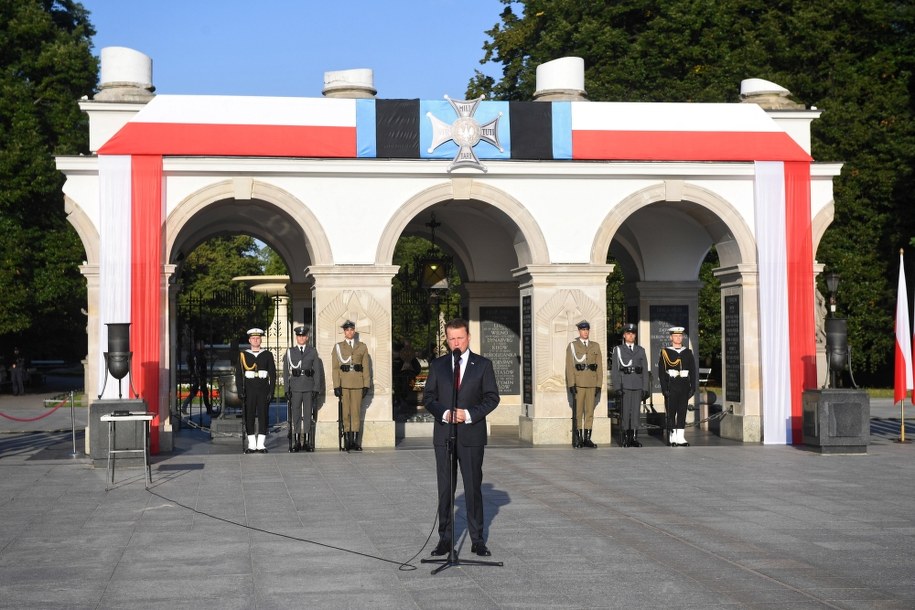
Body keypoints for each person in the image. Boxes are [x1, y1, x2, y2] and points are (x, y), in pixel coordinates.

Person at [424, 318, 500, 558]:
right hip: (445, 435)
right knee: (445, 489)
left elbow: (491, 397)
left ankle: (477, 540)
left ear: (468, 338)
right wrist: (445, 413)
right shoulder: (439, 365)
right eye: (452, 338)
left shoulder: (483, 365)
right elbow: (428, 398)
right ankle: (445, 539)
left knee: (472, 488)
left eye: (460, 338)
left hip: (471, 435)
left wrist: (468, 414)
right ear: (447, 340)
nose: (456, 342)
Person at [331, 320, 371, 452]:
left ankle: (356, 441)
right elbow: (335, 368)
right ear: (344, 332)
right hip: (344, 383)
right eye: (347, 330)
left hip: (358, 383)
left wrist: (366, 384)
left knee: (356, 412)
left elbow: (366, 367)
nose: (350, 332)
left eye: (352, 330)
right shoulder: (338, 347)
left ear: (354, 331)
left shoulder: (362, 347)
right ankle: (347, 440)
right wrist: (337, 386)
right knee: (346, 412)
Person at [236, 328, 276, 454]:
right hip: (249, 389)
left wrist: (271, 390)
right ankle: (252, 444)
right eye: (253, 338)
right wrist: (240, 390)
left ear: (261, 340)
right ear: (249, 340)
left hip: (263, 388)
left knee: (263, 416)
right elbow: (239, 374)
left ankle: (261, 444)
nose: (255, 340)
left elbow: (273, 374)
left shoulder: (267, 354)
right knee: (250, 415)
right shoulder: (244, 355)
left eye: (258, 338)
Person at [610, 323, 650, 447]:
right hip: (625, 384)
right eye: (628, 333)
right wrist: (617, 387)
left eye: (632, 334)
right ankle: (626, 438)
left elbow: (645, 370)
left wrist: (645, 387)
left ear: (635, 336)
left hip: (637, 384)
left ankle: (634, 437)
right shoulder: (619, 350)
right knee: (626, 412)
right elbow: (615, 370)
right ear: (624, 335)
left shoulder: (640, 350)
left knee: (636, 413)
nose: (630, 335)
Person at [284, 325, 323, 452]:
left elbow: (317, 370)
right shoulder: (290, 352)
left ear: (307, 338)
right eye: (299, 336)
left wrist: (316, 388)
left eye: (303, 336)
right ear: (296, 338)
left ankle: (306, 441)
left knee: (307, 414)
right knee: (295, 414)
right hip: (295, 386)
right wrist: (286, 389)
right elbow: (285, 372)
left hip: (308, 386)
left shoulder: (312, 351)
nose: (301, 338)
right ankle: (296, 441)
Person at [565, 320, 603, 448]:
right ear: (579, 331)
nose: (585, 332)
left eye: (587, 330)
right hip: (579, 383)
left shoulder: (595, 346)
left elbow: (600, 367)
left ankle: (587, 438)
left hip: (592, 382)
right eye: (582, 330)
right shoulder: (573, 346)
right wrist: (571, 384)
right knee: (578, 412)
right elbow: (569, 367)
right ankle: (579, 438)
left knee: (589, 412)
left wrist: (599, 384)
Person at [657, 326, 698, 447]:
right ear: (671, 338)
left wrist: (693, 387)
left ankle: (680, 437)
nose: (678, 338)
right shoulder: (665, 352)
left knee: (682, 412)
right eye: (675, 336)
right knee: (671, 412)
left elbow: (692, 370)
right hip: (672, 385)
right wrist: (664, 389)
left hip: (684, 385)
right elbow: (661, 371)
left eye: (680, 336)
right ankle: (672, 436)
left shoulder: (687, 352)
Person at [180, 340, 213, 415]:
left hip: (200, 376)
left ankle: (208, 409)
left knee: (204, 392)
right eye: (202, 345)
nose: (203, 346)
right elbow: (195, 367)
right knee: (195, 393)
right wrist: (197, 376)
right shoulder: (196, 354)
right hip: (198, 376)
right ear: (198, 345)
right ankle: (184, 407)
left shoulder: (200, 353)